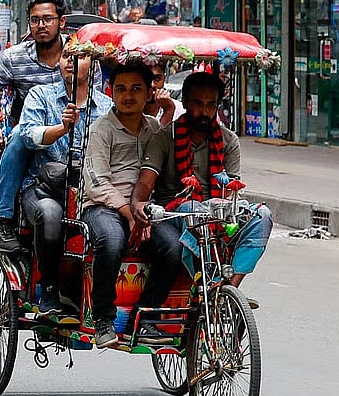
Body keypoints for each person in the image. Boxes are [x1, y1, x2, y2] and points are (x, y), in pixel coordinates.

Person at [132, 70, 273, 288]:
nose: (205, 111)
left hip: (217, 207)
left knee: (262, 215)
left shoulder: (228, 140)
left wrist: (226, 209)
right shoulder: (164, 137)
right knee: (195, 211)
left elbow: (231, 189)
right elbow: (146, 181)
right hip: (176, 208)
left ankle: (228, 289)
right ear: (186, 102)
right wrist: (137, 203)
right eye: (198, 104)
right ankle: (210, 279)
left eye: (211, 105)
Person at [81, 62, 183, 348]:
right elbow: (97, 182)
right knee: (112, 241)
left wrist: (141, 214)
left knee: (173, 247)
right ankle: (103, 318)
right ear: (111, 92)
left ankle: (146, 318)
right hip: (104, 207)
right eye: (121, 89)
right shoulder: (101, 130)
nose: (128, 96)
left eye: (136, 89)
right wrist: (129, 214)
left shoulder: (153, 128)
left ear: (149, 92)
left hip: (144, 210)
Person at [0, 0, 79, 250]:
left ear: (61, 22)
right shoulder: (15, 58)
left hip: (74, 137)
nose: (41, 26)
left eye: (47, 19)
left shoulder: (80, 55)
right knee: (21, 132)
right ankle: (4, 218)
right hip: (30, 138)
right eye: (35, 20)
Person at [16, 55, 111, 316]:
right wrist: (61, 128)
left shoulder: (106, 106)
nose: (70, 62)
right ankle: (48, 290)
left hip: (91, 191)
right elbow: (27, 135)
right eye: (67, 57)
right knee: (51, 214)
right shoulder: (41, 96)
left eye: (78, 58)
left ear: (93, 66)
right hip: (43, 188)